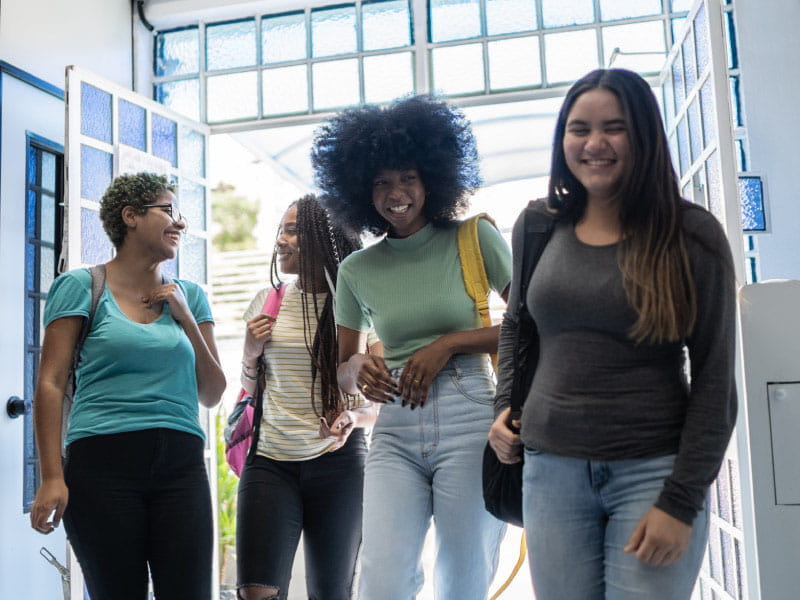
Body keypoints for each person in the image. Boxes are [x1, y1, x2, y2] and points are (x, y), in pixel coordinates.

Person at [488, 68, 738, 599]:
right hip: (550, 472)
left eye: (614, 128)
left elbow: (716, 379)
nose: (594, 143)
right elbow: (517, 325)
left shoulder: (691, 235)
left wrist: (680, 501)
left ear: (643, 135)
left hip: (652, 473)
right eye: (579, 129)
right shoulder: (538, 224)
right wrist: (503, 407)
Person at [312, 94, 512, 600]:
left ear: (432, 180)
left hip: (469, 412)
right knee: (381, 577)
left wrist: (450, 344)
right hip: (395, 425)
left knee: (463, 576)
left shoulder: (474, 239)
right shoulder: (357, 269)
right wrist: (359, 365)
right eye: (381, 182)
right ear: (361, 190)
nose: (395, 193)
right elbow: (342, 368)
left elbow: (532, 326)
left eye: (407, 178)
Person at [29, 172, 226, 600]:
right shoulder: (81, 286)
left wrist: (186, 317)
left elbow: (212, 393)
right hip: (102, 466)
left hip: (181, 467)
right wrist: (51, 477)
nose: (180, 222)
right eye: (168, 210)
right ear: (131, 216)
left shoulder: (190, 296)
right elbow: (50, 382)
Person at [236, 195, 378, 600]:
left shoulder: (358, 307)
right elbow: (251, 390)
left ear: (324, 237)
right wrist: (250, 351)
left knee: (331, 591)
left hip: (339, 465)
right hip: (270, 461)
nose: (280, 240)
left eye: (293, 231)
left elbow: (377, 403)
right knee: (256, 591)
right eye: (281, 230)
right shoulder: (267, 301)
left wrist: (353, 419)